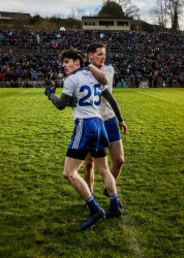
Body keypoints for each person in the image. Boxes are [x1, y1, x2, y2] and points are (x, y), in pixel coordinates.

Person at [44, 48, 123, 230]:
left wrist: (50, 95)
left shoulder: (71, 79)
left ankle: (94, 209)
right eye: (63, 63)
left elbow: (61, 105)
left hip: (85, 126)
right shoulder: (92, 75)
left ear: (77, 62)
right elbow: (103, 91)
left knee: (69, 173)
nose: (63, 66)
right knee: (103, 168)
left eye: (67, 62)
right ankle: (114, 205)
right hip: (99, 124)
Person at [82, 42, 127, 202]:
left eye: (104, 54)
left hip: (109, 120)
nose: (103, 57)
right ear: (90, 56)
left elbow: (103, 81)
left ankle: (110, 190)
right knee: (89, 163)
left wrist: (120, 120)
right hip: (91, 122)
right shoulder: (81, 73)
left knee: (119, 160)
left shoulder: (108, 69)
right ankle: (90, 196)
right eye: (99, 54)